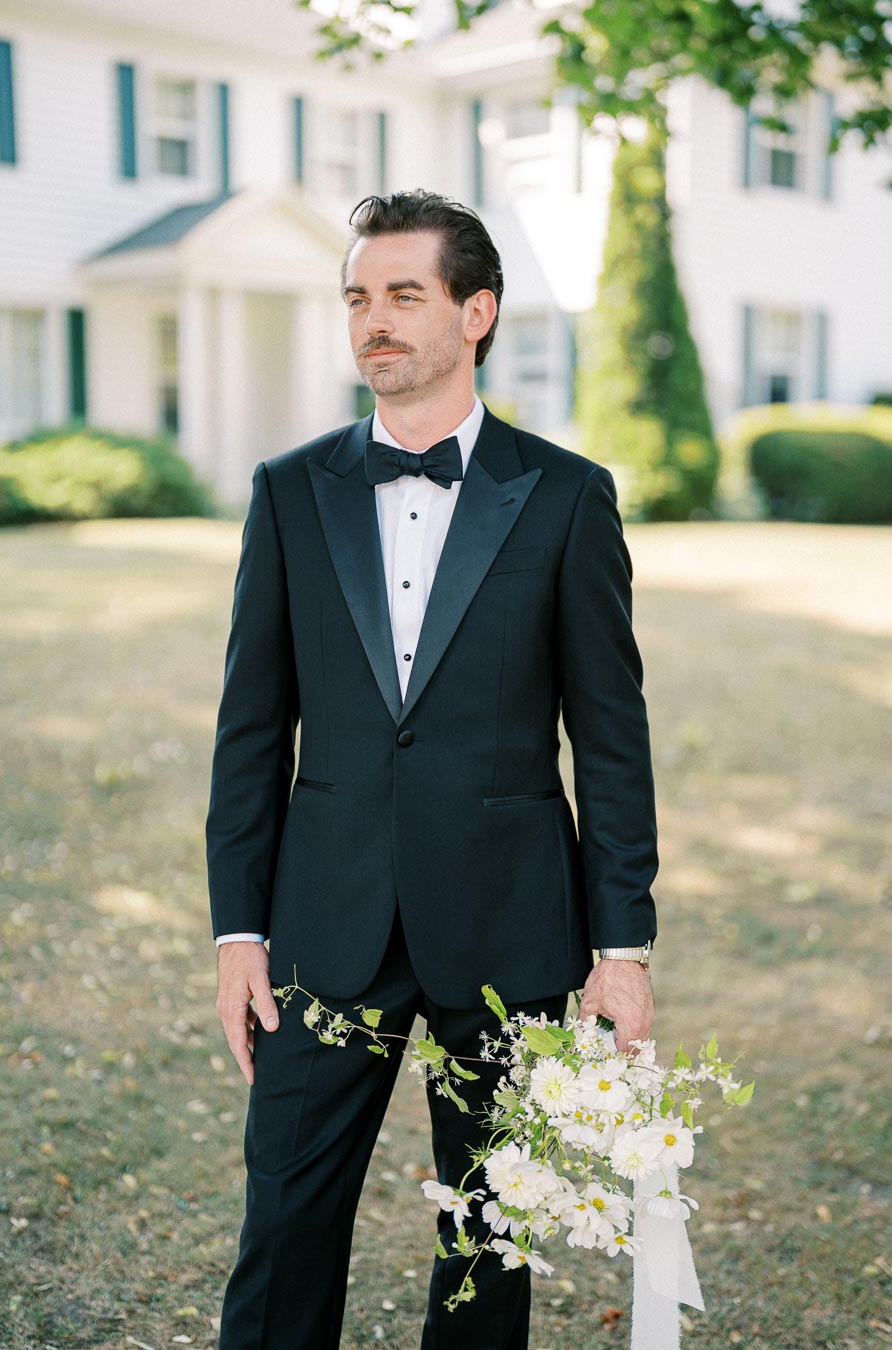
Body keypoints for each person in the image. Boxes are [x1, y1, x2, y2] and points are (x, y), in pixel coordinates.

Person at [205, 188, 658, 1350]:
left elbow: (608, 735)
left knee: (487, 1244)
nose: (375, 322)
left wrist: (622, 949)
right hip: (323, 922)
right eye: (358, 297)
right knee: (286, 1220)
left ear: (478, 312)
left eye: (405, 294)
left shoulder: (564, 496)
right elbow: (252, 730)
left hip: (508, 923)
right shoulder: (289, 491)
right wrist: (237, 935)